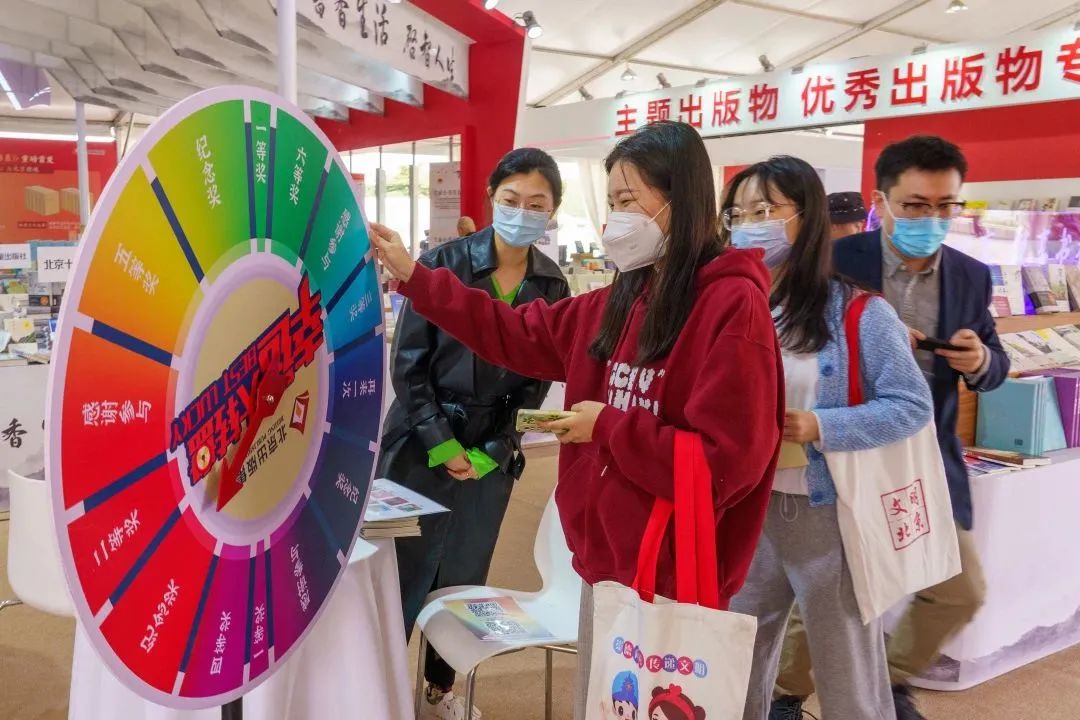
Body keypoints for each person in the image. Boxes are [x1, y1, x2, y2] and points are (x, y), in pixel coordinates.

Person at [370, 121, 785, 720]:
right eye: (611, 203)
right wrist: (416, 278)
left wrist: (608, 428)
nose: (616, 220)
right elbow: (513, 333)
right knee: (606, 699)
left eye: (628, 201)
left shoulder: (730, 305)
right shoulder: (619, 299)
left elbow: (730, 462)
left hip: (671, 571)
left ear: (682, 198)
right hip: (601, 558)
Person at [770, 136, 1010, 720]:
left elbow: (995, 361)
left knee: (957, 589)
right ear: (881, 202)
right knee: (827, 590)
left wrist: (980, 360)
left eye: (945, 205)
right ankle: (783, 696)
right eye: (915, 205)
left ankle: (888, 679)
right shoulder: (836, 260)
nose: (931, 219)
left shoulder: (970, 276)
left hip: (921, 456)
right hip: (834, 449)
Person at [723, 156, 933, 720]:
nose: (749, 226)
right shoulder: (734, 306)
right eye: (737, 215)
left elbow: (911, 405)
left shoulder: (860, 312)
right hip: (747, 509)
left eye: (764, 210)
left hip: (827, 514)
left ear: (806, 216)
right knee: (736, 658)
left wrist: (823, 425)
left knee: (846, 674)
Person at [378, 147, 571, 720]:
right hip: (419, 442)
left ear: (553, 211)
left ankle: (440, 689)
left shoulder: (551, 283)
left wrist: (492, 450)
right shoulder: (442, 265)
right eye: (511, 199)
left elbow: (537, 381)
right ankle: (380, 689)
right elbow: (408, 365)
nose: (522, 212)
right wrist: (441, 441)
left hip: (492, 451)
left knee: (465, 573)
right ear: (491, 198)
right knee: (398, 573)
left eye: (536, 204)